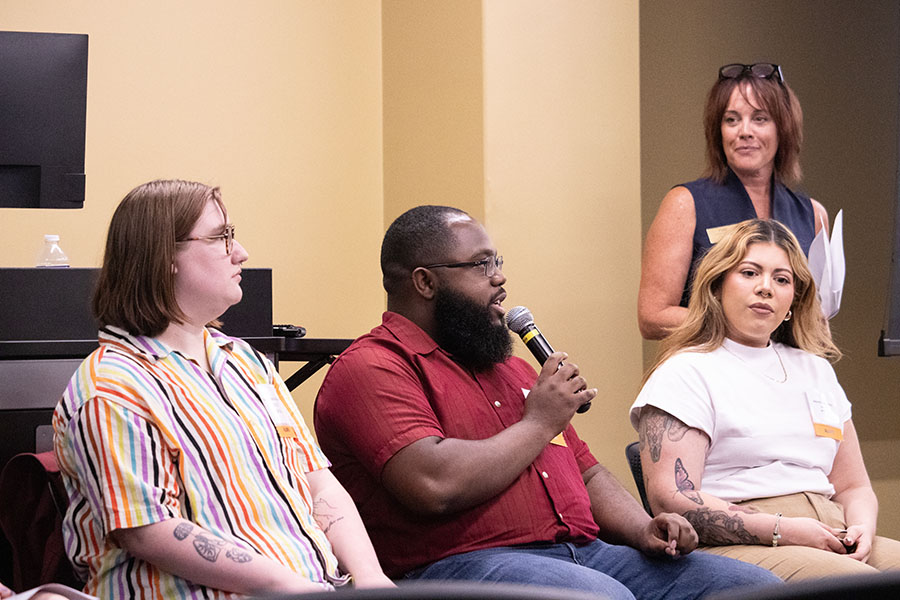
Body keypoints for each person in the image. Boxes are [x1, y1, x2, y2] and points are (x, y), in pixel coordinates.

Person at [314, 205, 781, 599]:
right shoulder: (373, 367)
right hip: (456, 567)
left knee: (754, 589)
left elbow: (587, 471)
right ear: (425, 282)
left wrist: (643, 528)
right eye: (480, 265)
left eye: (496, 261)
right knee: (603, 598)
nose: (499, 278)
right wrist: (539, 421)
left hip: (587, 552)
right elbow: (434, 484)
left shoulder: (511, 369)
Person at [52, 180, 392, 599]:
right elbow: (148, 531)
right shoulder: (111, 385)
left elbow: (317, 482)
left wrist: (372, 579)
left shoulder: (245, 362)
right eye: (221, 237)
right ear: (164, 257)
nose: (241, 252)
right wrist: (293, 588)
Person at [631, 218, 900, 581]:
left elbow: (854, 486)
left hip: (832, 530)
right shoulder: (686, 372)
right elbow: (673, 498)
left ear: (793, 300)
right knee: (860, 585)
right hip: (743, 542)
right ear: (717, 287)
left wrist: (863, 529)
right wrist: (784, 529)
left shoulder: (815, 369)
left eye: (781, 279)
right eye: (749, 272)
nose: (765, 288)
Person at [638, 62, 830, 340]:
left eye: (760, 119)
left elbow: (814, 316)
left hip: (783, 372)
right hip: (709, 369)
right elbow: (652, 318)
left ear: (783, 128)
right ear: (718, 132)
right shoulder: (685, 203)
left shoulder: (813, 215)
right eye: (731, 119)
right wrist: (744, 322)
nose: (745, 131)